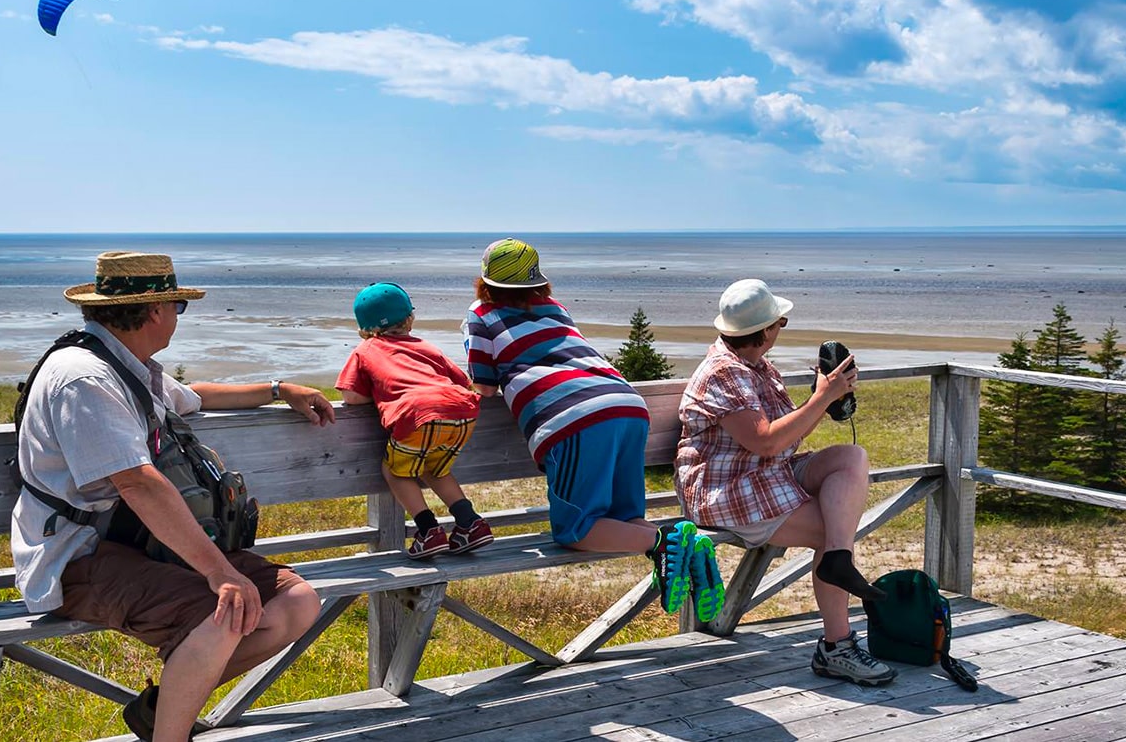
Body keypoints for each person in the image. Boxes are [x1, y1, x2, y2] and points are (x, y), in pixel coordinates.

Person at [11, 251, 335, 742]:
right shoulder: (85, 379)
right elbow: (137, 482)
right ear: (156, 311)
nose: (178, 319)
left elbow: (196, 395)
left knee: (295, 602)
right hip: (77, 555)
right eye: (178, 307)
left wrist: (277, 388)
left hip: (145, 543)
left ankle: (161, 709)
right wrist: (220, 572)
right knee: (221, 613)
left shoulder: (128, 364)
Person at [463, 238, 720, 618]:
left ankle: (666, 542)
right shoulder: (555, 308)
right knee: (622, 518)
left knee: (576, 531)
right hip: (627, 404)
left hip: (575, 418)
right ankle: (689, 545)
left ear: (485, 281)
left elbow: (483, 385)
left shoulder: (482, 314)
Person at [674, 278, 896, 686]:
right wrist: (820, 399)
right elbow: (765, 441)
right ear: (766, 331)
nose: (782, 328)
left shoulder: (757, 365)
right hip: (726, 490)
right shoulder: (723, 373)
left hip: (767, 472)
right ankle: (837, 646)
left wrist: (824, 397)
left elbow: (786, 439)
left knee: (851, 457)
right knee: (834, 533)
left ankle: (839, 568)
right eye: (781, 322)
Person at [337, 282, 493, 559]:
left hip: (416, 414)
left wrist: (380, 394)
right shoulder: (426, 346)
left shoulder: (366, 349)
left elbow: (351, 396)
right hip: (461, 411)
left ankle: (428, 530)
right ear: (410, 318)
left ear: (365, 328)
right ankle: (471, 523)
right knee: (434, 468)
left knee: (395, 472)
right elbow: (461, 381)